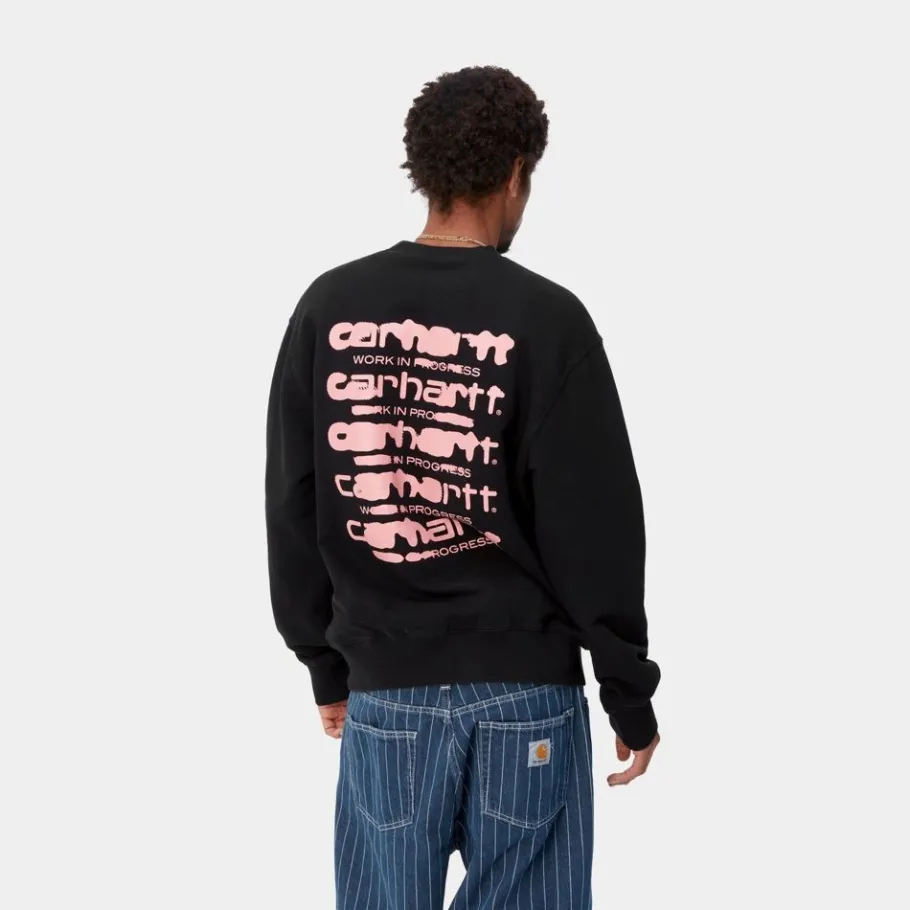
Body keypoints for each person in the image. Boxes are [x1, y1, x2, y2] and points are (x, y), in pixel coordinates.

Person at [265, 65, 661, 910]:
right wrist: (627, 690)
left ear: (426, 168)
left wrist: (325, 664)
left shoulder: (329, 306)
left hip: (387, 693)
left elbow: (294, 500)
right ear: (516, 172)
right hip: (527, 692)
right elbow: (595, 526)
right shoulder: (549, 319)